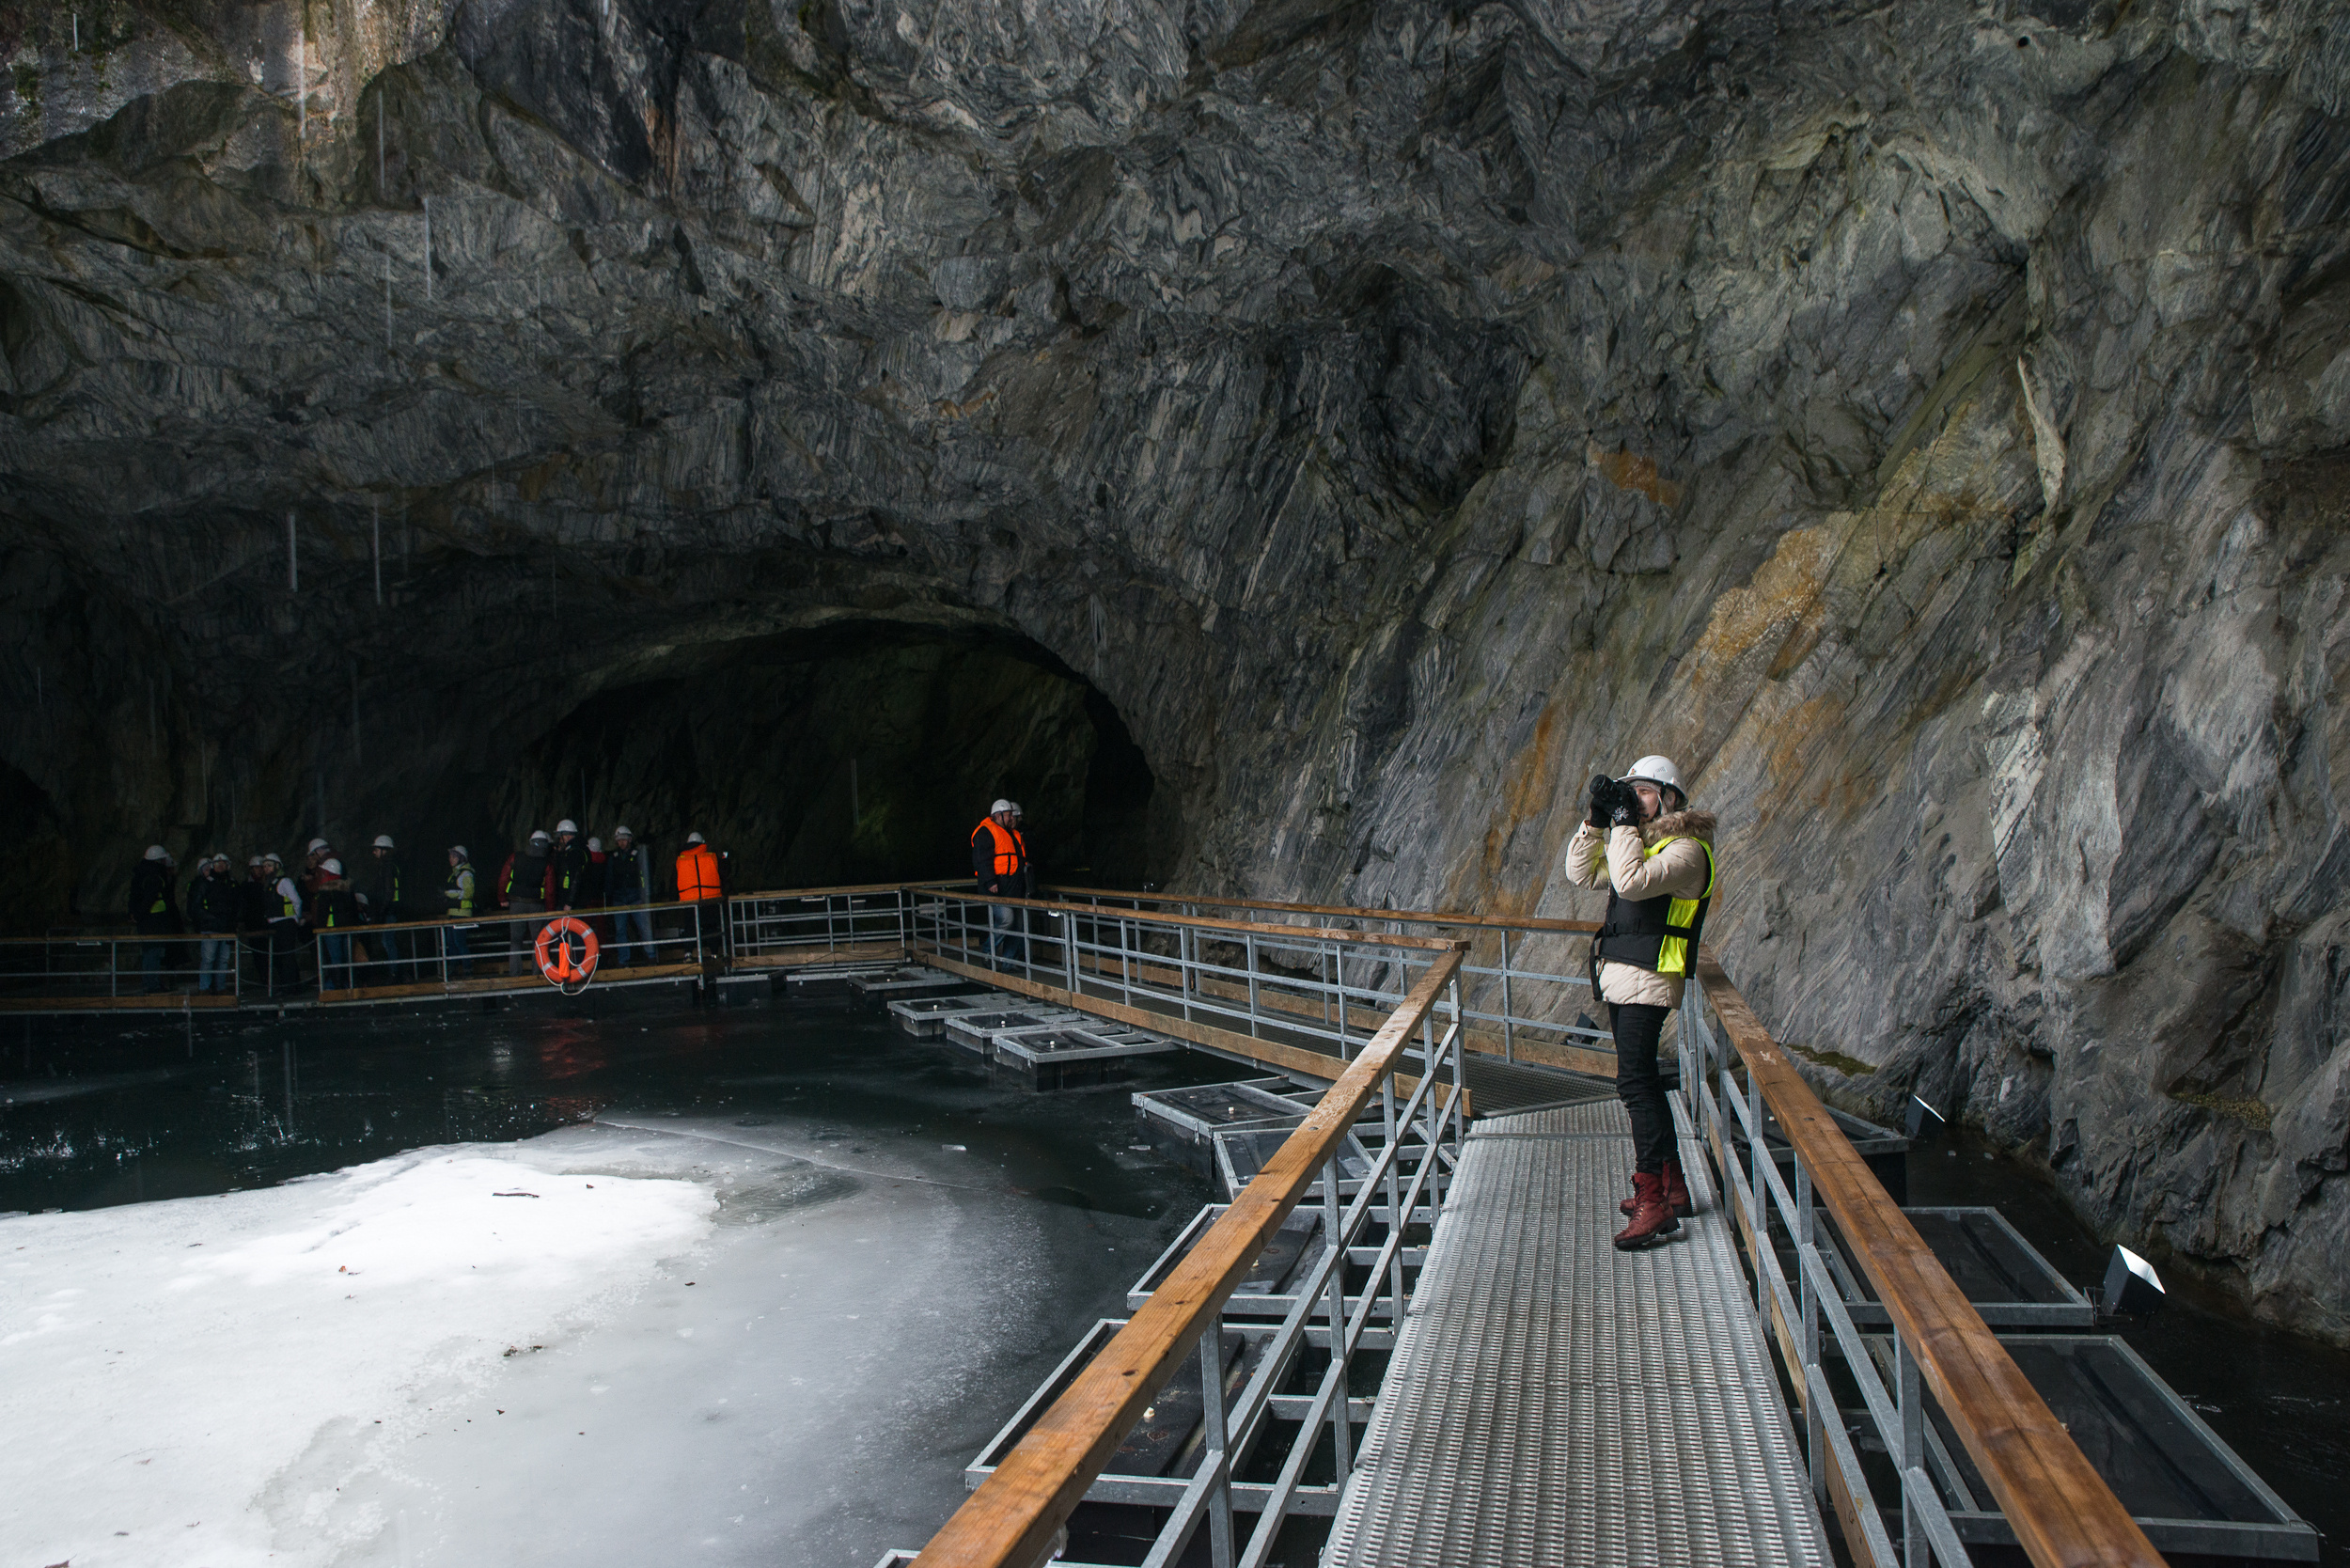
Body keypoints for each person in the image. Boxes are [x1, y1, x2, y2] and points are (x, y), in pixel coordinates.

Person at [1563, 755, 1717, 1251]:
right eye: (1629, 791)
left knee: (1634, 1085)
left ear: (1670, 799)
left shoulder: (1686, 850)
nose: (1634, 799)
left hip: (1650, 978)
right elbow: (1580, 873)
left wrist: (1624, 822)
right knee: (1644, 1082)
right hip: (1624, 975)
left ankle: (1653, 1201)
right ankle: (1673, 1188)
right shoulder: (1643, 843)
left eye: (1644, 791)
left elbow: (1629, 881)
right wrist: (1596, 821)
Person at [969, 799, 1031, 964]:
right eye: (1009, 815)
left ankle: (1009, 962)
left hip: (1013, 885)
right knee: (1006, 919)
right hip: (996, 886)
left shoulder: (1011, 834)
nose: (1012, 818)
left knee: (1018, 924)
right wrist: (990, 881)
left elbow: (1018, 860)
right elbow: (982, 860)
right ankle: (988, 952)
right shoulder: (985, 832)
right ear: (998, 816)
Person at [129, 844, 180, 993]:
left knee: (149, 952)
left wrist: (135, 915)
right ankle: (153, 984)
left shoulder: (140, 874)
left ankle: (150, 982)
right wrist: (140, 915)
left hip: (146, 921)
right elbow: (149, 899)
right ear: (158, 861)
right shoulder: (155, 877)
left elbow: (134, 897)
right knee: (154, 953)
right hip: (155, 921)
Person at [360, 834, 410, 984]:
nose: (374, 852)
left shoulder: (387, 866)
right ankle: (400, 973)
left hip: (390, 911)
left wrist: (381, 910)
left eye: (376, 849)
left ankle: (395, 973)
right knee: (390, 941)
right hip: (393, 910)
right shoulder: (392, 865)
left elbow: (388, 891)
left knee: (389, 942)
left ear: (384, 850)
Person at [502, 829, 553, 975]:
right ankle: (537, 973)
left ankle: (514, 973)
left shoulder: (515, 857)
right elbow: (550, 889)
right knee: (538, 940)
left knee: (515, 940)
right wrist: (550, 909)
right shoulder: (547, 863)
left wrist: (502, 898)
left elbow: (504, 878)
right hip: (536, 904)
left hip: (516, 903)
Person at [189, 854, 239, 995]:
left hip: (227, 927)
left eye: (223, 863)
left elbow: (238, 904)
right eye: (218, 863)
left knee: (223, 959)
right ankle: (204, 987)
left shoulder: (232, 883)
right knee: (209, 958)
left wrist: (234, 920)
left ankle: (220, 987)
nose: (220, 866)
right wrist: (210, 919)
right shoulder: (205, 883)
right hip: (211, 927)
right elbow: (196, 906)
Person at [604, 826, 652, 966]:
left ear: (630, 839)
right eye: (619, 840)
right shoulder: (613, 857)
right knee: (620, 931)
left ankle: (651, 955)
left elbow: (644, 875)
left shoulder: (637, 855)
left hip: (635, 896)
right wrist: (609, 895)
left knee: (644, 927)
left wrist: (645, 894)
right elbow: (609, 878)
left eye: (624, 839)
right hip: (619, 898)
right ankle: (623, 960)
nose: (622, 842)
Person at [311, 857, 360, 988]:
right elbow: (354, 909)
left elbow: (322, 912)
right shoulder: (347, 889)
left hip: (331, 928)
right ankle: (350, 984)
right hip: (347, 928)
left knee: (335, 958)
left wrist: (319, 929)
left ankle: (337, 986)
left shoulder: (325, 890)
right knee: (347, 958)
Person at [261, 852, 306, 994]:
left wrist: (295, 918)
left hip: (286, 923)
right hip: (274, 924)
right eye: (264, 866)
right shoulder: (269, 884)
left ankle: (291, 986)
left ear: (277, 866)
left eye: (269, 865)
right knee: (279, 957)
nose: (266, 869)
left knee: (287, 956)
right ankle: (286, 985)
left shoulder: (284, 882)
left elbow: (296, 901)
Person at [675, 831, 723, 959]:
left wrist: (674, 898)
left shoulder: (681, 860)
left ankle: (688, 954)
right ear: (702, 843)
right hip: (709, 900)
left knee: (690, 928)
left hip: (689, 901)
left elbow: (675, 880)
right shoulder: (712, 857)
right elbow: (724, 871)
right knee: (711, 928)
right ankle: (714, 954)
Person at [238, 855, 274, 988]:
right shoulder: (246, 885)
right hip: (253, 923)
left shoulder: (270, 883)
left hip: (268, 922)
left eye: (261, 867)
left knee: (271, 950)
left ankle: (270, 977)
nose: (259, 870)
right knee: (258, 952)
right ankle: (264, 978)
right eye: (256, 868)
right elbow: (243, 905)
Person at [442, 846, 477, 975]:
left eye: (454, 856)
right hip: (453, 912)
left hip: (462, 913)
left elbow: (468, 893)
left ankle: (467, 969)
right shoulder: (455, 873)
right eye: (450, 856)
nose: (451, 859)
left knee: (459, 942)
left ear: (461, 858)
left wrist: (448, 894)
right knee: (451, 942)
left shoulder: (466, 873)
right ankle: (453, 968)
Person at [549, 820, 591, 914]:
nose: (560, 840)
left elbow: (576, 878)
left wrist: (569, 902)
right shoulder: (579, 849)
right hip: (573, 898)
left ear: (567, 836)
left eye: (561, 838)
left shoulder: (574, 852)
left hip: (571, 900)